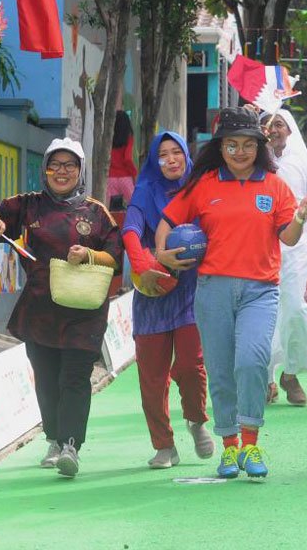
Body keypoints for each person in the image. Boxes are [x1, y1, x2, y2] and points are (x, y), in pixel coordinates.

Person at [155, 107, 307, 479]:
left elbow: (288, 238)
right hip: (212, 290)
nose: (240, 152)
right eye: (232, 145)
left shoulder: (275, 186)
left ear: (259, 147)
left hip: (260, 291)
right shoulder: (205, 183)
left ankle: (251, 443)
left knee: (252, 360)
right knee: (220, 369)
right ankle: (229, 448)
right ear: (221, 147)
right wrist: (163, 254)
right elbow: (168, 219)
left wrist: (301, 216)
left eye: (248, 145)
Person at [0, 138, 122, 478]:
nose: (61, 172)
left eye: (70, 165)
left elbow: (115, 258)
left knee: (74, 377)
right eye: (55, 165)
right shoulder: (28, 205)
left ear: (80, 171)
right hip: (39, 310)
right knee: (47, 379)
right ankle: (54, 438)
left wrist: (89, 255)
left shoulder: (97, 213)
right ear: (45, 169)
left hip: (84, 312)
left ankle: (70, 445)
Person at [122, 131, 213, 469]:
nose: (171, 159)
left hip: (192, 290)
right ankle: (164, 446)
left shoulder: (201, 189)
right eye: (163, 155)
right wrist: (145, 263)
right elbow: (130, 230)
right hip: (152, 290)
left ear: (186, 156)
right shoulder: (144, 191)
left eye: (177, 152)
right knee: (152, 376)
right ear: (154, 161)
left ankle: (196, 420)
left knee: (191, 365)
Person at [264, 108, 307, 406]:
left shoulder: (304, 163)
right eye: (268, 125)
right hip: (262, 247)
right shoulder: (255, 162)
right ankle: (265, 379)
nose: (274, 129)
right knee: (263, 314)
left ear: (290, 130)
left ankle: (290, 374)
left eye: (279, 124)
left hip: (298, 249)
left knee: (294, 308)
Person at [108, 111, 138, 209]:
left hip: (110, 178)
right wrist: (134, 173)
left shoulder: (108, 140)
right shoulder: (128, 139)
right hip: (125, 178)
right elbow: (128, 159)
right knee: (134, 207)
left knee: (112, 211)